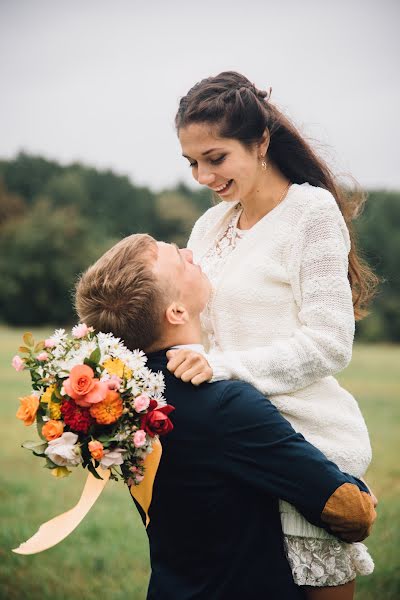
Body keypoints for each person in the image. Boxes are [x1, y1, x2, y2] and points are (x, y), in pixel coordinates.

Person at [165, 71, 378, 599]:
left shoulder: (310, 213)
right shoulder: (209, 227)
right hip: (230, 449)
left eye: (215, 158)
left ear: (260, 143)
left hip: (303, 448)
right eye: (192, 162)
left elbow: (330, 344)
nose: (202, 176)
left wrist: (225, 369)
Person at [75, 233, 376, 600]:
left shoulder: (123, 401)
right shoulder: (225, 404)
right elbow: (348, 510)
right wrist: (361, 492)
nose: (190, 252)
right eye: (180, 259)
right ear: (177, 312)